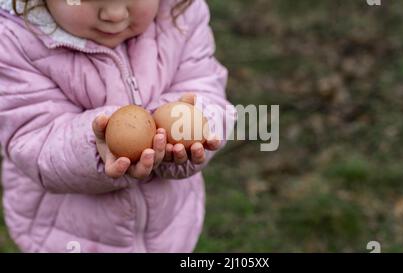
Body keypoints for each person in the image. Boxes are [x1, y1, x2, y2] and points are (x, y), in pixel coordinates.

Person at [0, 0, 233, 252]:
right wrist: (96, 145)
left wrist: (192, 127)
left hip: (167, 227)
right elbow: (32, 138)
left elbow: (205, 88)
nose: (114, 14)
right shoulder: (15, 41)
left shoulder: (179, 14)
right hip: (68, 234)